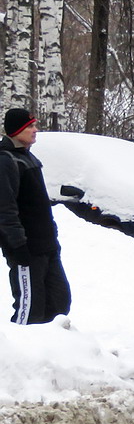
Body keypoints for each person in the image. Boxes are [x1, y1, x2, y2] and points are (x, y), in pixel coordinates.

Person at [0, 108, 71, 325]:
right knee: (30, 309)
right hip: (26, 249)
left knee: (59, 304)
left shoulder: (28, 157)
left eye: (34, 125)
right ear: (17, 130)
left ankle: (49, 354)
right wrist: (18, 245)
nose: (35, 130)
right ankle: (18, 356)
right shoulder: (6, 160)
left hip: (47, 246)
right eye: (30, 126)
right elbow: (5, 209)